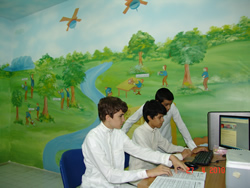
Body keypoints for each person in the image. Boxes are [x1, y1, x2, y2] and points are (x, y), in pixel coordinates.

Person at [80, 96, 187, 188]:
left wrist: (170, 158)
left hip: (117, 184)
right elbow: (110, 175)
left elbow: (139, 151)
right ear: (108, 117)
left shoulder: (118, 134)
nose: (124, 120)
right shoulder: (93, 139)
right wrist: (147, 173)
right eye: (120, 116)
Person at [122, 88, 207, 153]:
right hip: (149, 149)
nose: (169, 108)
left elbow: (181, 126)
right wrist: (120, 138)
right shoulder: (148, 107)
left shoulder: (172, 107)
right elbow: (130, 121)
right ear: (157, 102)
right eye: (166, 105)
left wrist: (192, 147)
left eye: (170, 104)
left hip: (165, 146)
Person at [129, 100, 192, 172]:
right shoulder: (139, 132)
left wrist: (184, 150)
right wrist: (180, 156)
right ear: (149, 117)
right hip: (139, 175)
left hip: (152, 171)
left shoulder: (155, 130)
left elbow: (168, 146)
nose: (163, 120)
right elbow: (150, 156)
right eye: (160, 117)